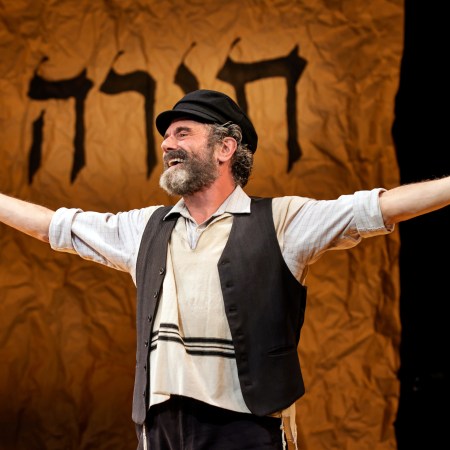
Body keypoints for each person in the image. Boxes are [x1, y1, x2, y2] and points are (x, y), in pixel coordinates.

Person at [1, 89, 450, 450]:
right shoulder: (146, 228)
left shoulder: (281, 221)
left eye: (182, 133)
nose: (167, 145)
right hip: (162, 427)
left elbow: (377, 209)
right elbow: (54, 227)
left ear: (225, 147)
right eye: (166, 137)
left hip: (246, 427)